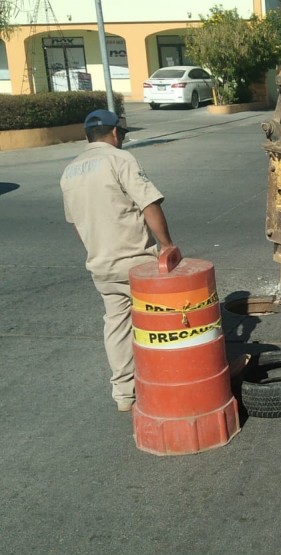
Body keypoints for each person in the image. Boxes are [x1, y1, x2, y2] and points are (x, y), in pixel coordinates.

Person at [61, 109, 174, 412]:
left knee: (117, 325)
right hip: (137, 263)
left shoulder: (69, 171)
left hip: (101, 265)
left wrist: (96, 250)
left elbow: (77, 223)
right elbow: (148, 203)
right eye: (121, 135)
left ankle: (124, 393)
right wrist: (166, 246)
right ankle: (172, 382)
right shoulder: (119, 159)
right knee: (166, 319)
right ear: (114, 134)